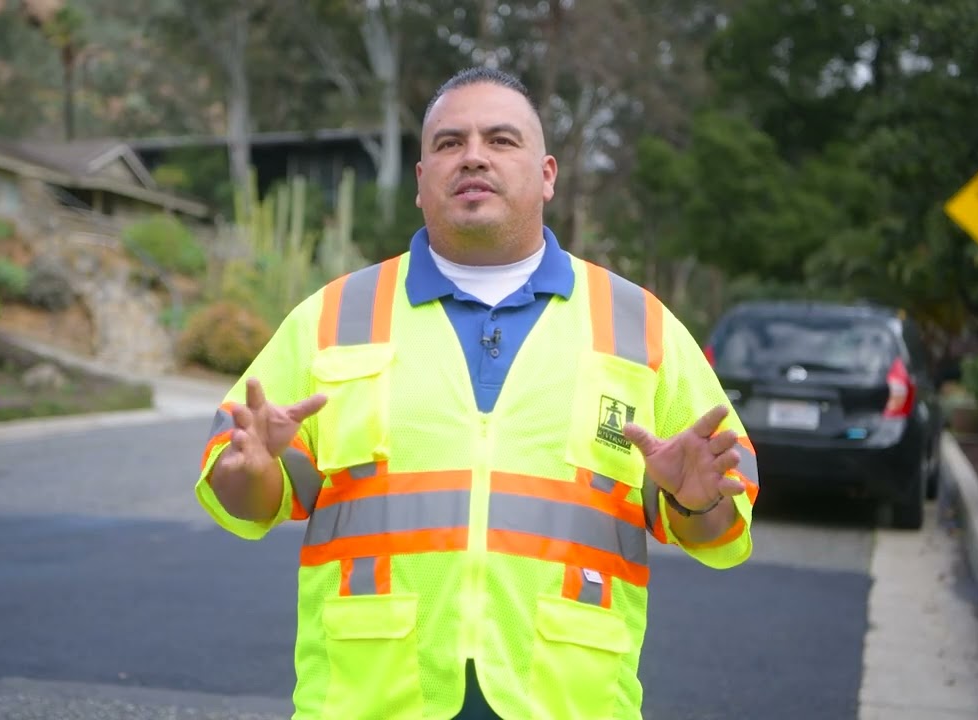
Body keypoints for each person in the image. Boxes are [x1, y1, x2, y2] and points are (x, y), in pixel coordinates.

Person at [195, 66, 760, 720]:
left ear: (547, 174)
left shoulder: (640, 324)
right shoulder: (331, 316)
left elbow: (720, 531)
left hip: (565, 701)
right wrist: (253, 471)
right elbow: (245, 499)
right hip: (373, 698)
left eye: (501, 139)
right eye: (448, 143)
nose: (473, 157)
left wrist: (692, 504)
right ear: (420, 181)